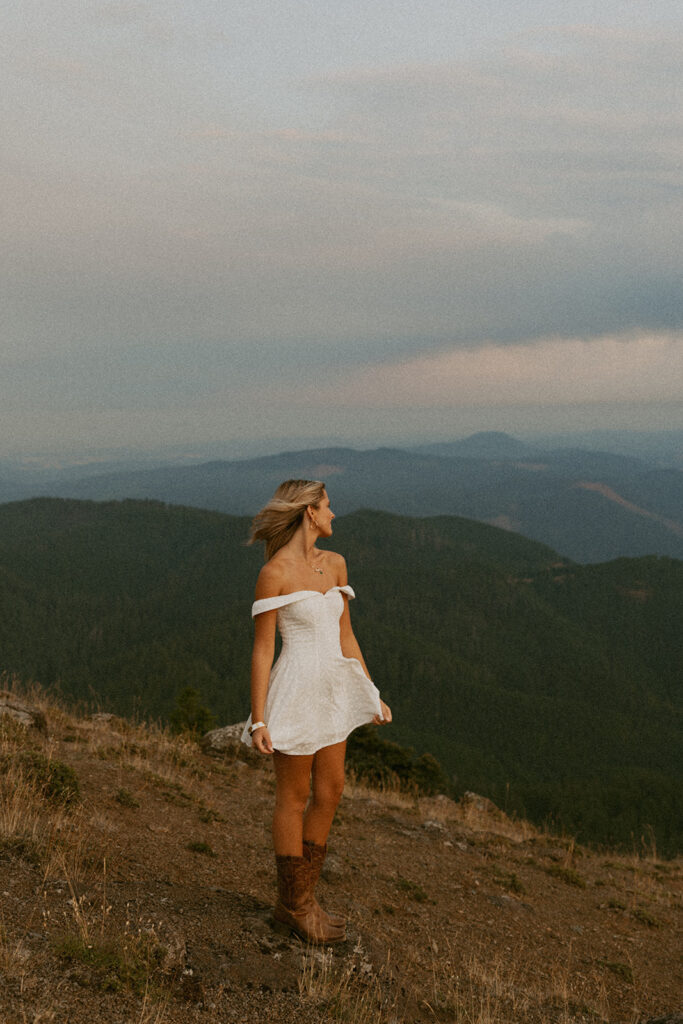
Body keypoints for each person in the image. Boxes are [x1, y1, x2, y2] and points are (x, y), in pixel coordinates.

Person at [241, 479, 392, 943]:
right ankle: (295, 906)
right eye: (327, 506)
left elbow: (347, 636)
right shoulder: (275, 572)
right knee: (293, 796)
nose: (333, 514)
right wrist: (259, 717)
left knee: (330, 791)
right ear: (309, 512)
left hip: (332, 689)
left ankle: (304, 898)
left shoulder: (336, 565)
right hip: (296, 689)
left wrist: (369, 691)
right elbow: (263, 649)